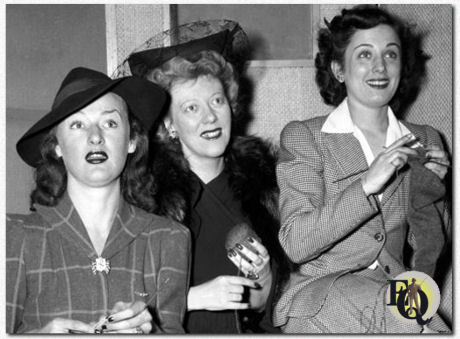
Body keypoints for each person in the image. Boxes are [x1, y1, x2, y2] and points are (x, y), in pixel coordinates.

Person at [273, 5, 450, 333]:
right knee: (417, 326)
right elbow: (295, 243)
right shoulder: (305, 136)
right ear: (339, 69)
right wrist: (366, 185)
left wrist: (433, 192)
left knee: (432, 325)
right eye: (364, 55)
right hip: (322, 295)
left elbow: (429, 245)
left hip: (394, 288)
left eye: (391, 54)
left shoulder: (423, 138)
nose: (380, 67)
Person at [121, 20, 290, 333]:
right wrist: (195, 297)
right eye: (191, 108)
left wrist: (264, 279)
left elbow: (268, 308)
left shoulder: (270, 188)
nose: (210, 117)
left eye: (216, 100)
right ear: (168, 125)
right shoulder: (146, 198)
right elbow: (120, 297)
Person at [6, 67, 190, 334]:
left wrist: (153, 334)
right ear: (57, 146)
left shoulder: (170, 238)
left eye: (110, 123)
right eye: (77, 124)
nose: (95, 136)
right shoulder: (15, 237)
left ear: (132, 141)